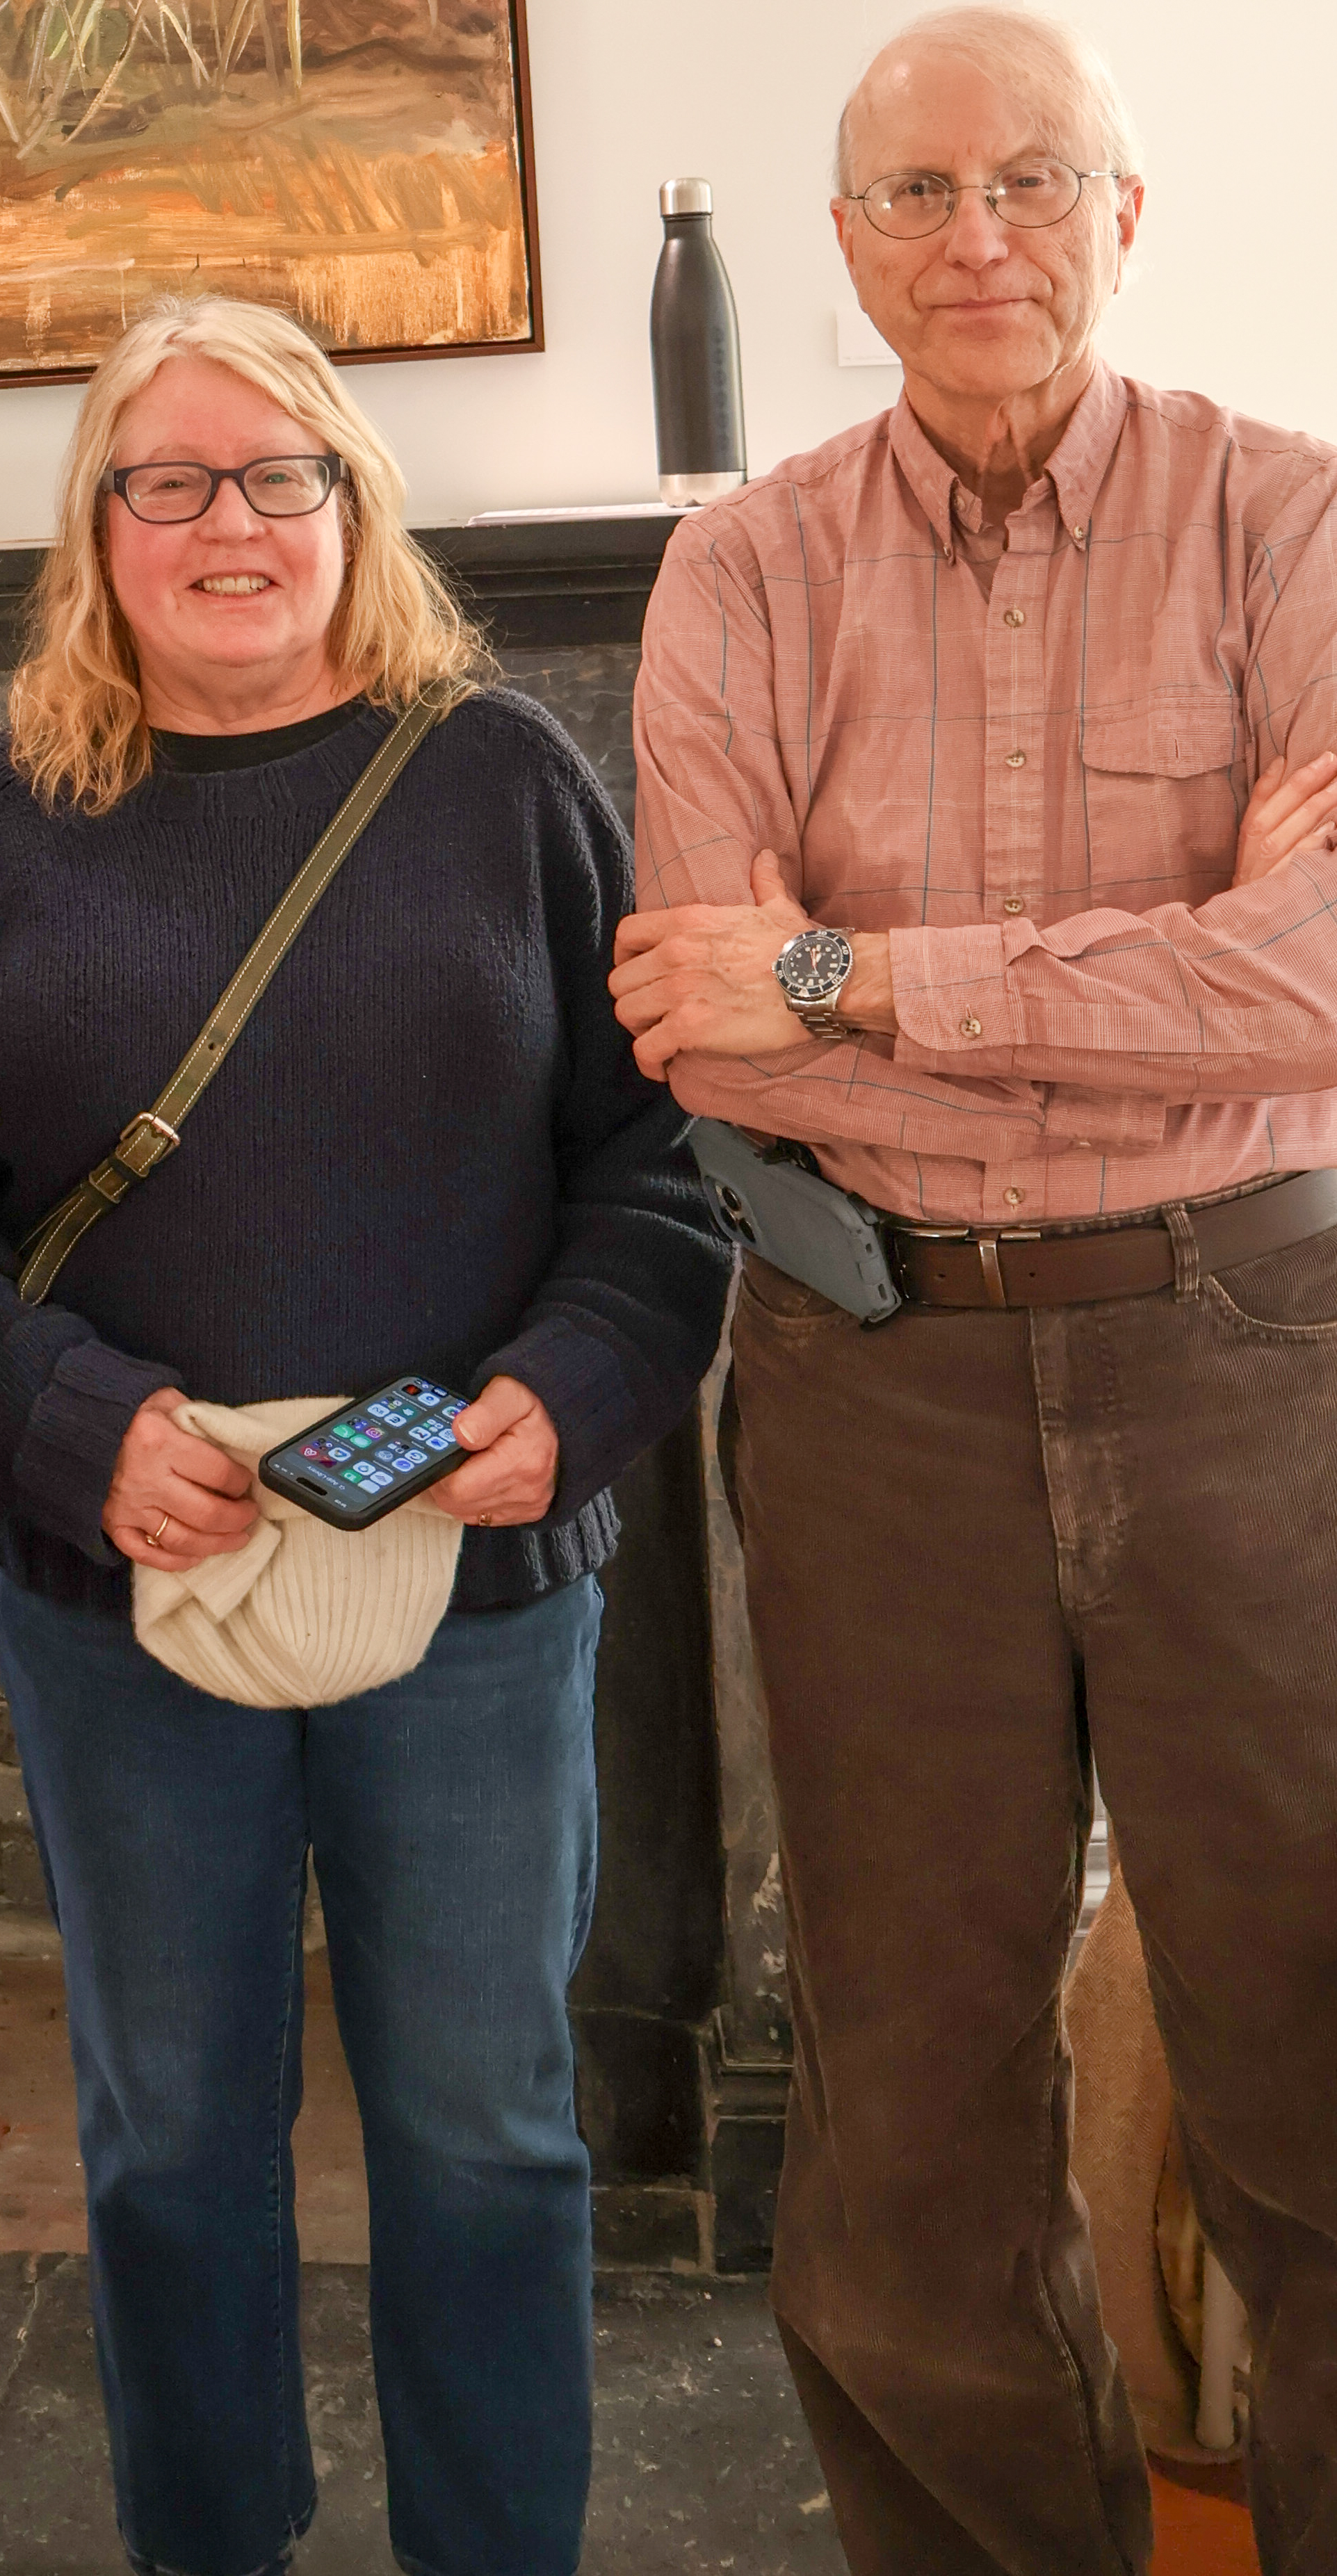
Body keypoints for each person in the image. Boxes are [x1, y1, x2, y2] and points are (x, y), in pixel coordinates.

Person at [0, 295, 731, 2576]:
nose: (228, 523)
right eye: (171, 482)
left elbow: (659, 1166)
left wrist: (571, 1391)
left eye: (278, 477)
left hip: (478, 1594)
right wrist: (68, 1422)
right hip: (121, 1593)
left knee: (487, 2130)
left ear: (353, 508)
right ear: (98, 531)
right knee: (166, 2142)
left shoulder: (508, 781)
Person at [613, 13, 1337, 2570]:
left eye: (1033, 181)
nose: (978, 236)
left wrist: (871, 979)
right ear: (844, 252)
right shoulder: (744, 565)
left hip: (1256, 1358)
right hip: (869, 1367)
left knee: (1319, 2062)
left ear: (1124, 218)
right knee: (908, 2114)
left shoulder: (1296, 521)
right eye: (916, 196)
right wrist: (1131, 982)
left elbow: (1331, 976)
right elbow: (708, 1019)